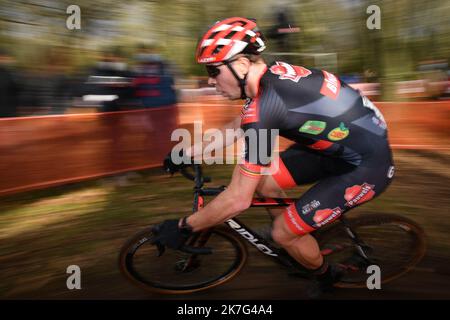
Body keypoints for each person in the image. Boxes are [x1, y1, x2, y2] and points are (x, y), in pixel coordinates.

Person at [156, 17, 395, 296]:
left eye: (213, 70)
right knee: (262, 177)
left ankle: (325, 275)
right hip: (340, 147)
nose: (210, 80)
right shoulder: (270, 77)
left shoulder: (267, 107)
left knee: (282, 231)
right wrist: (188, 153)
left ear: (242, 65)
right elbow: (238, 127)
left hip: (367, 166)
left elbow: (237, 199)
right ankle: (298, 236)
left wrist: (184, 226)